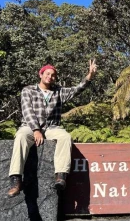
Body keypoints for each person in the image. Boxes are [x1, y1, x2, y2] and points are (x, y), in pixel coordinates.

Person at [7, 59, 97, 197]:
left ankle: (61, 176)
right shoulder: (28, 90)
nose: (50, 77)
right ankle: (16, 180)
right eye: (47, 74)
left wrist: (89, 75)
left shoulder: (58, 92)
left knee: (65, 137)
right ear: (41, 75)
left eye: (53, 75)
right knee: (20, 136)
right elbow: (27, 111)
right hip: (30, 126)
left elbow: (77, 89)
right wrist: (36, 130)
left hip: (51, 127)